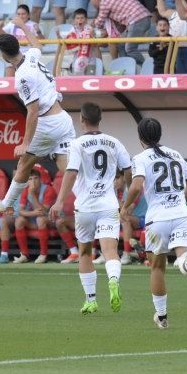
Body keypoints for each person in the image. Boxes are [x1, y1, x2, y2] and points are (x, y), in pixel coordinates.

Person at [120, 117, 187, 330]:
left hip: (157, 220)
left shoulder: (140, 158)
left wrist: (126, 206)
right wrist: (178, 201)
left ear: (140, 138)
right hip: (181, 215)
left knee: (157, 267)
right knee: (184, 251)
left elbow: (137, 186)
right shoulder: (176, 154)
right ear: (160, 134)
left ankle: (162, 316)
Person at [0, 30, 76, 217]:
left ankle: (6, 203)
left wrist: (25, 143)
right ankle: (91, 200)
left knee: (24, 163)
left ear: (3, 55)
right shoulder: (31, 56)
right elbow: (38, 45)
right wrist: (23, 25)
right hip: (64, 120)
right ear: (18, 46)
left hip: (48, 124)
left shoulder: (22, 77)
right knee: (69, 170)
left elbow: (33, 111)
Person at [50, 102, 132, 314]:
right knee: (110, 250)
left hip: (85, 207)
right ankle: (113, 281)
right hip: (108, 205)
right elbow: (128, 169)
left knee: (85, 252)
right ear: (100, 118)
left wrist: (59, 201)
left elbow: (70, 172)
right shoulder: (114, 142)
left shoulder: (77, 144)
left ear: (82, 120)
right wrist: (127, 195)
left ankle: (91, 299)